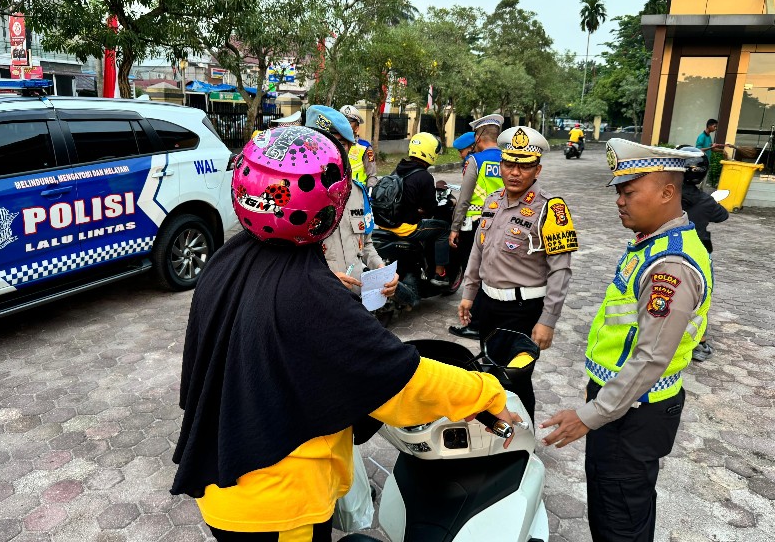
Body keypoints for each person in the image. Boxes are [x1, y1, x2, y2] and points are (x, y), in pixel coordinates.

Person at [170, 122, 523, 541]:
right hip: (278, 504)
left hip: (226, 475)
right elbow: (399, 378)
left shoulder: (227, 259)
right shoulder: (311, 296)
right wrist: (487, 393)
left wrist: (322, 283)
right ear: (330, 203)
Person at [541, 139, 714, 542]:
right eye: (619, 191)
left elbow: (652, 357)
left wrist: (590, 414)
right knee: (619, 505)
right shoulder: (652, 242)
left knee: (619, 518)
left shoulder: (670, 263)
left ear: (668, 192)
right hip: (625, 403)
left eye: (630, 191)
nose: (620, 200)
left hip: (633, 410)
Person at [458, 126, 577, 421]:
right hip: (488, 304)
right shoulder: (492, 200)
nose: (514, 172)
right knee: (488, 371)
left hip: (524, 311)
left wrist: (547, 321)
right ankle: (495, 432)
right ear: (501, 165)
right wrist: (469, 295)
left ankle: (525, 440)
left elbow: (561, 269)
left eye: (523, 166)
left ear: (537, 170)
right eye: (509, 164)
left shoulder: (551, 209)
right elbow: (478, 250)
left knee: (516, 379)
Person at [308, 106, 399, 299]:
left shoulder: (357, 192)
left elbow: (365, 245)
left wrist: (381, 269)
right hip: (317, 300)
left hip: (356, 299)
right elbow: (286, 262)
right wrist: (324, 279)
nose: (335, 149)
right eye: (326, 141)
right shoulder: (297, 197)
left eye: (341, 143)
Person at [448, 115, 505, 340]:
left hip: (475, 225)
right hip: (500, 225)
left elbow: (464, 198)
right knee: (491, 273)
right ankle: (490, 319)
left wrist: (454, 227)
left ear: (479, 136)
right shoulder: (508, 159)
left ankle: (475, 323)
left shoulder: (476, 161)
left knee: (474, 273)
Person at [379, 132, 451, 286]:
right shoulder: (424, 177)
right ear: (430, 152)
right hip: (406, 228)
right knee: (443, 229)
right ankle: (439, 273)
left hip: (384, 224)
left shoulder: (399, 169)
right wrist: (421, 211)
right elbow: (430, 209)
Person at [677, 145, 728, 361]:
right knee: (701, 298)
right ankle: (700, 343)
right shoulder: (706, 201)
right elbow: (722, 216)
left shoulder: (666, 196)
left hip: (665, 251)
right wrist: (712, 200)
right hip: (697, 257)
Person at [340, 104, 378, 188]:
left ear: (356, 128)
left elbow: (371, 174)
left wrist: (369, 193)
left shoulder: (365, 148)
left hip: (357, 193)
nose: (345, 126)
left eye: (349, 122)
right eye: (342, 122)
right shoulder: (332, 144)